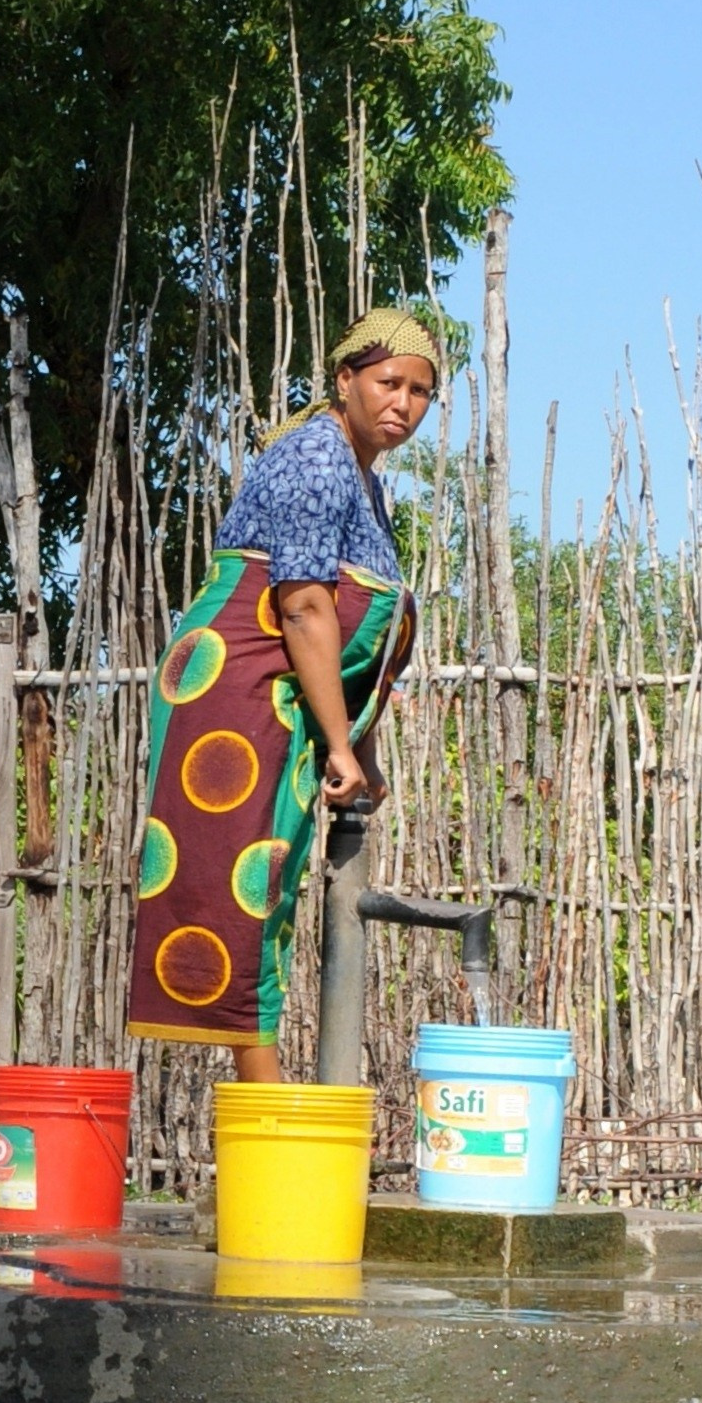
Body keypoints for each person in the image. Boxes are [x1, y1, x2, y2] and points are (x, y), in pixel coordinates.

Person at [126, 307, 437, 1082]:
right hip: (238, 689)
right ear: (345, 379)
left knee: (263, 888)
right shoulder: (314, 459)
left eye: (421, 392)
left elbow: (359, 637)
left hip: (285, 695)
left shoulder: (364, 482)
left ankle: (271, 1111)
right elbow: (303, 606)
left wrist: (357, 745)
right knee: (242, 893)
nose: (402, 403)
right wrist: (338, 742)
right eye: (387, 382)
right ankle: (270, 1113)